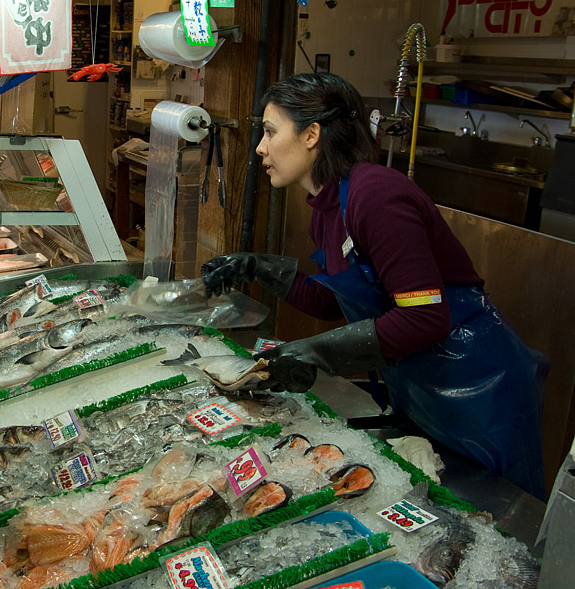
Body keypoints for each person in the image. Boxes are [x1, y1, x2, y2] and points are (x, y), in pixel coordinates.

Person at [201, 72, 546, 499]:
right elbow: (336, 301)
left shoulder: (375, 195)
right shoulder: (328, 206)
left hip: (478, 385)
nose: (261, 147)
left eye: (271, 132)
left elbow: (424, 316)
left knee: (497, 514)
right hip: (420, 383)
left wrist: (316, 353)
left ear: (311, 134)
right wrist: (259, 267)